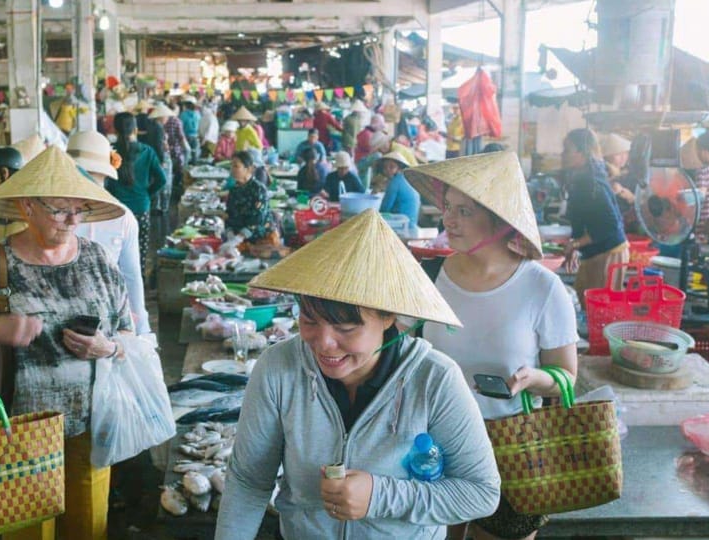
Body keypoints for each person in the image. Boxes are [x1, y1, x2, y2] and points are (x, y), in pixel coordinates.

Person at [214, 209, 500, 540]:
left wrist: (380, 496)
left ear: (388, 317)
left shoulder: (434, 380)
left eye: (346, 328)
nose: (324, 344)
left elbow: (480, 493)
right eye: (309, 320)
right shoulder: (279, 368)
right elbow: (249, 479)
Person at [0, 146, 131, 540]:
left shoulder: (96, 259)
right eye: (61, 210)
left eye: (79, 210)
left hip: (91, 426)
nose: (73, 220)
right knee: (28, 529)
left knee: (88, 528)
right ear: (27, 207)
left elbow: (127, 333)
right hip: (17, 431)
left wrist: (105, 348)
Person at [408, 152, 579, 540]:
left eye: (465, 211)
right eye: (448, 207)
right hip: (432, 449)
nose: (448, 220)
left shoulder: (542, 288)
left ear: (501, 220)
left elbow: (567, 376)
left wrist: (536, 378)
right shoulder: (428, 278)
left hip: (511, 451)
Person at [69, 130, 152, 337]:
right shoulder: (56, 216)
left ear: (105, 175)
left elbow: (131, 276)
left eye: (90, 175)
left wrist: (141, 329)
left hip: (110, 320)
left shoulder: (123, 218)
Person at [560, 128, 628, 306]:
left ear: (582, 153)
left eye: (567, 150)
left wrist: (576, 244)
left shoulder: (592, 182)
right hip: (597, 251)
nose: (562, 154)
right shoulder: (582, 178)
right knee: (584, 301)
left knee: (598, 309)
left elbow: (609, 225)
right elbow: (582, 219)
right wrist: (576, 244)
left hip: (608, 252)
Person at [108, 113, 167, 276]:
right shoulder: (147, 151)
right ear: (135, 129)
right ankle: (139, 288)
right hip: (141, 209)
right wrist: (147, 194)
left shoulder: (110, 152)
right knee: (139, 252)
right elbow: (162, 179)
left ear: (115, 129)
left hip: (116, 211)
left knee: (117, 252)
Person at [224, 151, 278, 247]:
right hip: (239, 239)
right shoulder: (234, 190)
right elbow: (229, 214)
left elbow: (257, 220)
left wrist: (238, 239)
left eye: (236, 166)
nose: (232, 169)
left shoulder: (259, 189)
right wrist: (230, 234)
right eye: (231, 166)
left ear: (248, 169)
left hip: (260, 240)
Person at [378, 152, 420, 227]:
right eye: (385, 167)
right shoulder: (407, 179)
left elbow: (385, 208)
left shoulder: (395, 182)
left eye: (391, 167)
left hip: (402, 225)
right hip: (411, 224)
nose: (387, 170)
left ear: (399, 168)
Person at [179, 95, 201, 163]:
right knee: (194, 153)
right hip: (195, 136)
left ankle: (185, 169)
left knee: (186, 154)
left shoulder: (183, 114)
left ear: (186, 105)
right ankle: (194, 166)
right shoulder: (198, 114)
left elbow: (180, 126)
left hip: (186, 136)